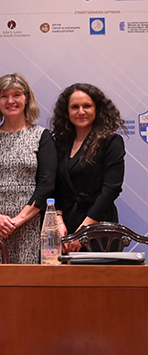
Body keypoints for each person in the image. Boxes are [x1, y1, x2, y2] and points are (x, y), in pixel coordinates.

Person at [0, 73, 56, 264]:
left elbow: (47, 183)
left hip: (31, 223)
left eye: (17, 95)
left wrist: (19, 220)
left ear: (27, 98)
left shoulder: (42, 136)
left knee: (29, 285)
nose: (11, 101)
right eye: (4, 96)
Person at [49, 83, 126, 251]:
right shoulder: (60, 143)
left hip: (99, 226)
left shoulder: (111, 142)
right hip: (65, 228)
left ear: (97, 109)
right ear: (66, 111)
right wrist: (59, 223)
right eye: (75, 107)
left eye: (87, 106)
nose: (81, 111)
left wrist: (84, 232)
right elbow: (55, 188)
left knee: (97, 277)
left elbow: (110, 190)